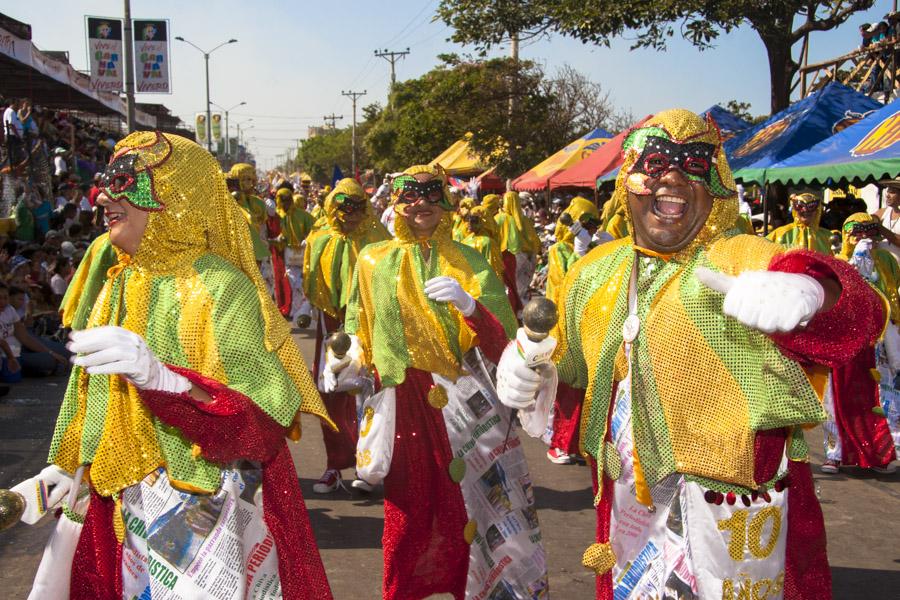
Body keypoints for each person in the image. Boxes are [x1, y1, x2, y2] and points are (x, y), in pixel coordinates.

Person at [496, 110, 885, 599]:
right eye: (655, 164)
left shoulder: (733, 254)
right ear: (627, 185)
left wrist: (814, 290)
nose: (673, 177)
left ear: (717, 185)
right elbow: (571, 367)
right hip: (627, 503)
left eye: (694, 164)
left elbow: (862, 313)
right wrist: (531, 360)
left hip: (731, 504)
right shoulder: (595, 271)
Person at [9, 132, 334, 599]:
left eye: (125, 182)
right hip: (115, 500)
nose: (103, 196)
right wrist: (61, 469)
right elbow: (89, 397)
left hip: (200, 507)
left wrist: (170, 384)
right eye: (106, 180)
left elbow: (262, 425)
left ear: (176, 196)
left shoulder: (222, 286)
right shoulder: (117, 282)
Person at [343, 164, 546, 599]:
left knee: (477, 508)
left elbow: (506, 341)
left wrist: (471, 306)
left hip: (467, 396)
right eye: (410, 196)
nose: (422, 205)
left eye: (432, 195)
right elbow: (360, 322)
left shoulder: (468, 258)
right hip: (404, 400)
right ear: (395, 203)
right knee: (410, 509)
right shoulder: (372, 259)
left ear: (446, 202)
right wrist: (347, 357)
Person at [303, 178, 390, 493]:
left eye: (357, 208)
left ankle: (369, 465)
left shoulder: (378, 236)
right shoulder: (320, 237)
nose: (350, 215)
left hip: (369, 322)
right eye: (344, 208)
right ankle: (334, 465)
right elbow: (312, 279)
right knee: (332, 392)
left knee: (369, 392)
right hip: (331, 324)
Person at [822, 213, 899, 474]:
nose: (864, 238)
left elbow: (891, 294)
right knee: (836, 400)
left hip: (878, 344)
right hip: (844, 343)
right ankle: (834, 454)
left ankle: (880, 454)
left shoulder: (887, 260)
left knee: (880, 399)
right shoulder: (838, 263)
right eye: (857, 232)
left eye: (870, 232)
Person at [543, 196, 602, 465]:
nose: (590, 228)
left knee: (585, 390)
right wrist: (581, 257)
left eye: (593, 223)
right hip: (564, 327)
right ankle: (559, 444)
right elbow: (563, 286)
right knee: (567, 388)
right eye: (586, 223)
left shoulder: (593, 246)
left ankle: (578, 444)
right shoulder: (559, 251)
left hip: (589, 327)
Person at [496, 191, 542, 306]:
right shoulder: (525, 220)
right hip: (526, 258)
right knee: (522, 288)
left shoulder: (499, 218)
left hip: (506, 257)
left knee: (509, 286)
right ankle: (522, 311)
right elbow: (535, 241)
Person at [766, 190, 834, 254]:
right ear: (794, 210)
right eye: (800, 206)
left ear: (817, 210)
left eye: (811, 206)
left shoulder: (828, 237)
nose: (805, 210)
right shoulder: (781, 234)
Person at [873, 177, 900, 264]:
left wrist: (880, 228)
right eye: (888, 191)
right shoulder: (882, 212)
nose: (887, 195)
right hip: (883, 270)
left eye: (892, 192)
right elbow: (867, 220)